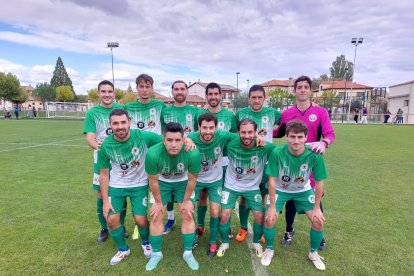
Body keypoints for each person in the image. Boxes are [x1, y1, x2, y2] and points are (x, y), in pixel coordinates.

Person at [273, 75, 335, 250]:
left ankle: (319, 235)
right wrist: (257, 133)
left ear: (310, 90)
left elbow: (330, 134)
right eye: (299, 87)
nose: (302, 90)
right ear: (294, 91)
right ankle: (289, 230)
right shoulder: (286, 113)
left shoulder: (320, 112)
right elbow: (278, 133)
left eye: (305, 87)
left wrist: (324, 143)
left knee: (315, 196)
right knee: (291, 196)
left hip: (310, 163)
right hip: (290, 163)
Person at [99, 109, 163, 265]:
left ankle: (145, 242)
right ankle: (123, 249)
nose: (120, 126)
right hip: (116, 186)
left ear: (129, 122)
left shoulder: (142, 136)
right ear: (110, 125)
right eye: (115, 123)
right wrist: (106, 201)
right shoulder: (106, 145)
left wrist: (186, 140)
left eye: (123, 122)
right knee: (112, 220)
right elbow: (103, 174)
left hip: (139, 185)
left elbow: (167, 140)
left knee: (141, 220)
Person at [266, 120, 327, 270]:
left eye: (300, 137)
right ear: (286, 137)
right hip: (281, 189)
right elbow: (272, 181)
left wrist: (317, 207)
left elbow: (319, 182)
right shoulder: (277, 153)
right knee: (269, 218)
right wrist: (272, 206)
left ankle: (313, 253)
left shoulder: (314, 154)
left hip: (303, 191)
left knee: (318, 220)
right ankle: (269, 249)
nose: (296, 141)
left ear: (306, 137)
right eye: (292, 136)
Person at [144, 122, 201, 271]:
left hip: (183, 182)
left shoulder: (193, 152)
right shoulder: (152, 153)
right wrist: (157, 202)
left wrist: (187, 201)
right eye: (169, 140)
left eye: (177, 140)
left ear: (184, 140)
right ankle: (156, 253)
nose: (174, 144)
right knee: (156, 215)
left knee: (187, 214)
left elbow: (192, 179)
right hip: (162, 182)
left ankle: (188, 253)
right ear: (163, 140)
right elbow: (153, 180)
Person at [217, 118, 276, 258]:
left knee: (259, 215)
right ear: (238, 132)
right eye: (243, 132)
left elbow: (285, 151)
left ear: (256, 132)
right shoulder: (230, 143)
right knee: (224, 215)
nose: (247, 135)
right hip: (231, 186)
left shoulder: (265, 147)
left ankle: (256, 242)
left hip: (252, 187)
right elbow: (212, 134)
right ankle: (224, 242)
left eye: (250, 132)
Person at [83, 80, 128, 243]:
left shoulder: (122, 109)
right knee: (102, 194)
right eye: (104, 91)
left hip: (122, 158)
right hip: (102, 157)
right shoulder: (92, 113)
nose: (107, 94)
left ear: (114, 93)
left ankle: (120, 225)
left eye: (110, 91)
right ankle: (104, 227)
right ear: (99, 93)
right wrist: (101, 148)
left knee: (121, 192)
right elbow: (90, 138)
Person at [234, 84, 281, 243]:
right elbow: (235, 133)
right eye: (253, 97)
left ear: (264, 98)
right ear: (249, 98)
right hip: (246, 160)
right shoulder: (241, 113)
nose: (256, 100)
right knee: (243, 196)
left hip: (265, 161)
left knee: (261, 195)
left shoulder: (273, 113)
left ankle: (259, 230)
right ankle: (243, 227)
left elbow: (288, 121)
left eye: (260, 97)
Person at [124, 73, 166, 240]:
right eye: (141, 86)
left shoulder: (160, 106)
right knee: (141, 188)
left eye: (147, 86)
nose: (144, 90)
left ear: (152, 88)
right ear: (137, 89)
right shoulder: (129, 107)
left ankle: (164, 219)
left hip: (156, 153)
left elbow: (168, 125)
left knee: (159, 187)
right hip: (137, 154)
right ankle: (139, 224)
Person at [195, 82, 237, 243]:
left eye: (216, 94)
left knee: (224, 196)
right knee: (203, 195)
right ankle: (200, 225)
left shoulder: (230, 115)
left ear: (221, 96)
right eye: (210, 94)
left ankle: (226, 223)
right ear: (206, 96)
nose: (213, 97)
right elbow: (196, 135)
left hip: (226, 161)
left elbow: (236, 137)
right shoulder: (201, 114)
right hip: (205, 162)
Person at [161, 80, 202, 235]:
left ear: (187, 92)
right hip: (169, 155)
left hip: (187, 156)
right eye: (176, 89)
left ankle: (192, 222)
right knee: (168, 186)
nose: (179, 92)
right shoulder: (165, 111)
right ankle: (171, 219)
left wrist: (190, 137)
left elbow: (201, 131)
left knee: (189, 188)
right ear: (172, 91)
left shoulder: (195, 111)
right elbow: (162, 132)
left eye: (182, 89)